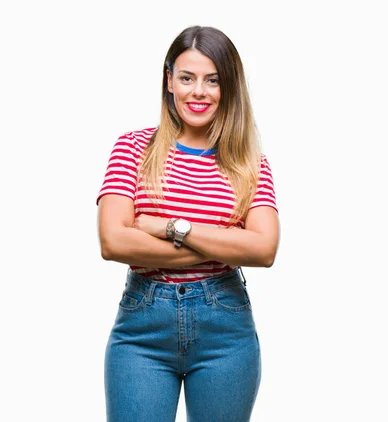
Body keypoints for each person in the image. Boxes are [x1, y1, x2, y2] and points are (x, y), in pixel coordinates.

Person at [96, 25, 280, 422]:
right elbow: (113, 241)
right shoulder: (132, 148)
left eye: (212, 80)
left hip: (225, 332)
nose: (199, 92)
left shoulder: (250, 164)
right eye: (187, 78)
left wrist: (167, 227)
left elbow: (264, 250)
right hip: (141, 330)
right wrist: (225, 241)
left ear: (228, 87)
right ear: (169, 82)